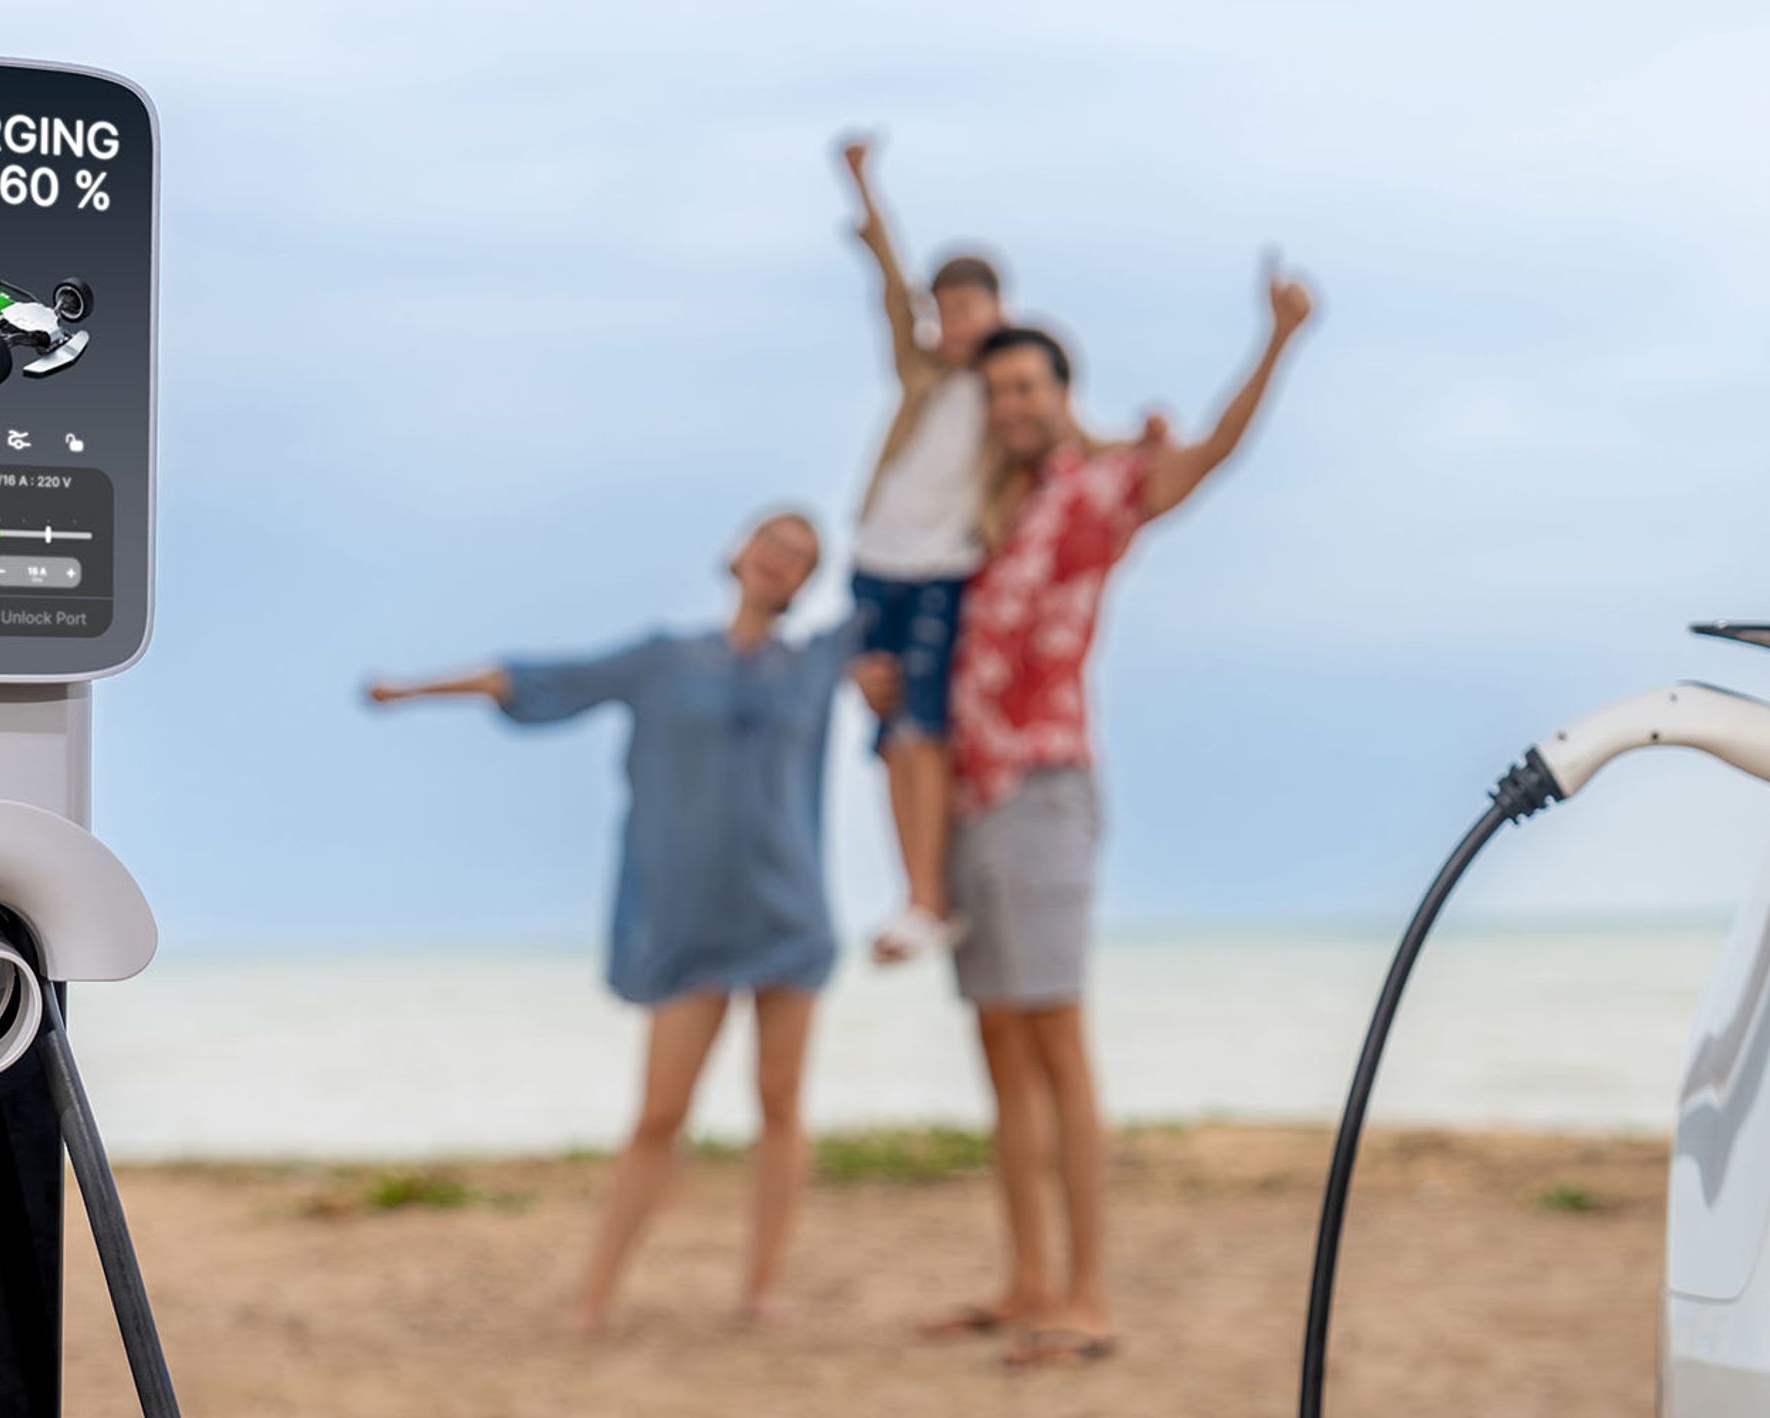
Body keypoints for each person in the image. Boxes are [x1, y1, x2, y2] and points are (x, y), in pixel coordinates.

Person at [920, 265, 1318, 1367]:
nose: (1011, 406)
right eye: (997, 391)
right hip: (968, 795)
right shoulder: (982, 512)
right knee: (999, 1043)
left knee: (1055, 1038)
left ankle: (1088, 1295)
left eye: (1027, 388)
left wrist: (1276, 340)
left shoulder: (1101, 490)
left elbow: (1212, 455)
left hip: (1045, 786)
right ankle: (1028, 1279)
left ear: (1062, 394)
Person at [364, 509, 867, 1335]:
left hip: (788, 914)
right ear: (738, 552)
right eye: (772, 541)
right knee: (659, 1115)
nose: (781, 557)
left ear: (808, 583)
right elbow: (539, 680)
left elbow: (912, 586)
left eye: (802, 555)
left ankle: (761, 1290)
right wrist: (412, 691)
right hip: (688, 925)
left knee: (781, 1104)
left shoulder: (815, 666)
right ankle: (594, 1297)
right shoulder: (663, 661)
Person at [836, 132, 1005, 965]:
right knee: (891, 735)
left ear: (998, 310)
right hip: (876, 561)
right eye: (943, 311)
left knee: (925, 727)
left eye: (968, 308)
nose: (952, 323)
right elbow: (888, 283)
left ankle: (930, 897)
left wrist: (1148, 442)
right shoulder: (922, 372)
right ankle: (914, 896)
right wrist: (863, 187)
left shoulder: (1009, 383)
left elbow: (1077, 437)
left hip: (944, 568)